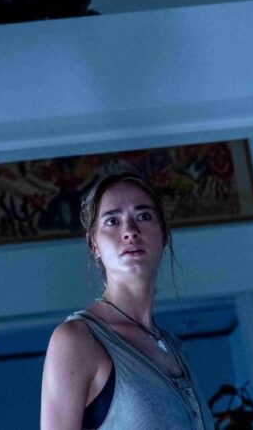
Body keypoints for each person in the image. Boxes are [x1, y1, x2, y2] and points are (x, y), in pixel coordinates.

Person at [40, 174, 214, 429]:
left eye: (143, 216)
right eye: (112, 221)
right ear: (94, 243)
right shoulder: (77, 339)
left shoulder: (174, 348)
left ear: (164, 235)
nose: (130, 231)